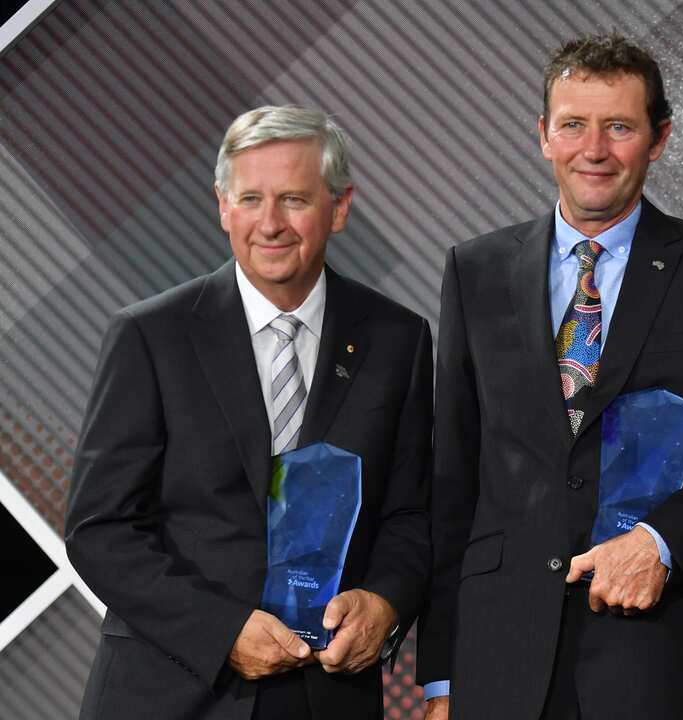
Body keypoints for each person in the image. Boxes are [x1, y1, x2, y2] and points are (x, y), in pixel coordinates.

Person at [417, 32, 683, 720]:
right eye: (573, 126)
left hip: (648, 656)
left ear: (658, 139)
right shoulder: (474, 270)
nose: (593, 150)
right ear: (543, 135)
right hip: (496, 663)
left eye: (619, 127)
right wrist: (442, 678)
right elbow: (454, 481)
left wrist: (660, 543)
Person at [64, 105, 433, 720]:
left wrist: (386, 603)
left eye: (293, 199)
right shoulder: (150, 335)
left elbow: (411, 513)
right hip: (170, 691)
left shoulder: (399, 339)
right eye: (251, 199)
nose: (271, 224)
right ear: (222, 206)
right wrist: (223, 630)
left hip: (327, 696)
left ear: (339, 208)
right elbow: (99, 529)